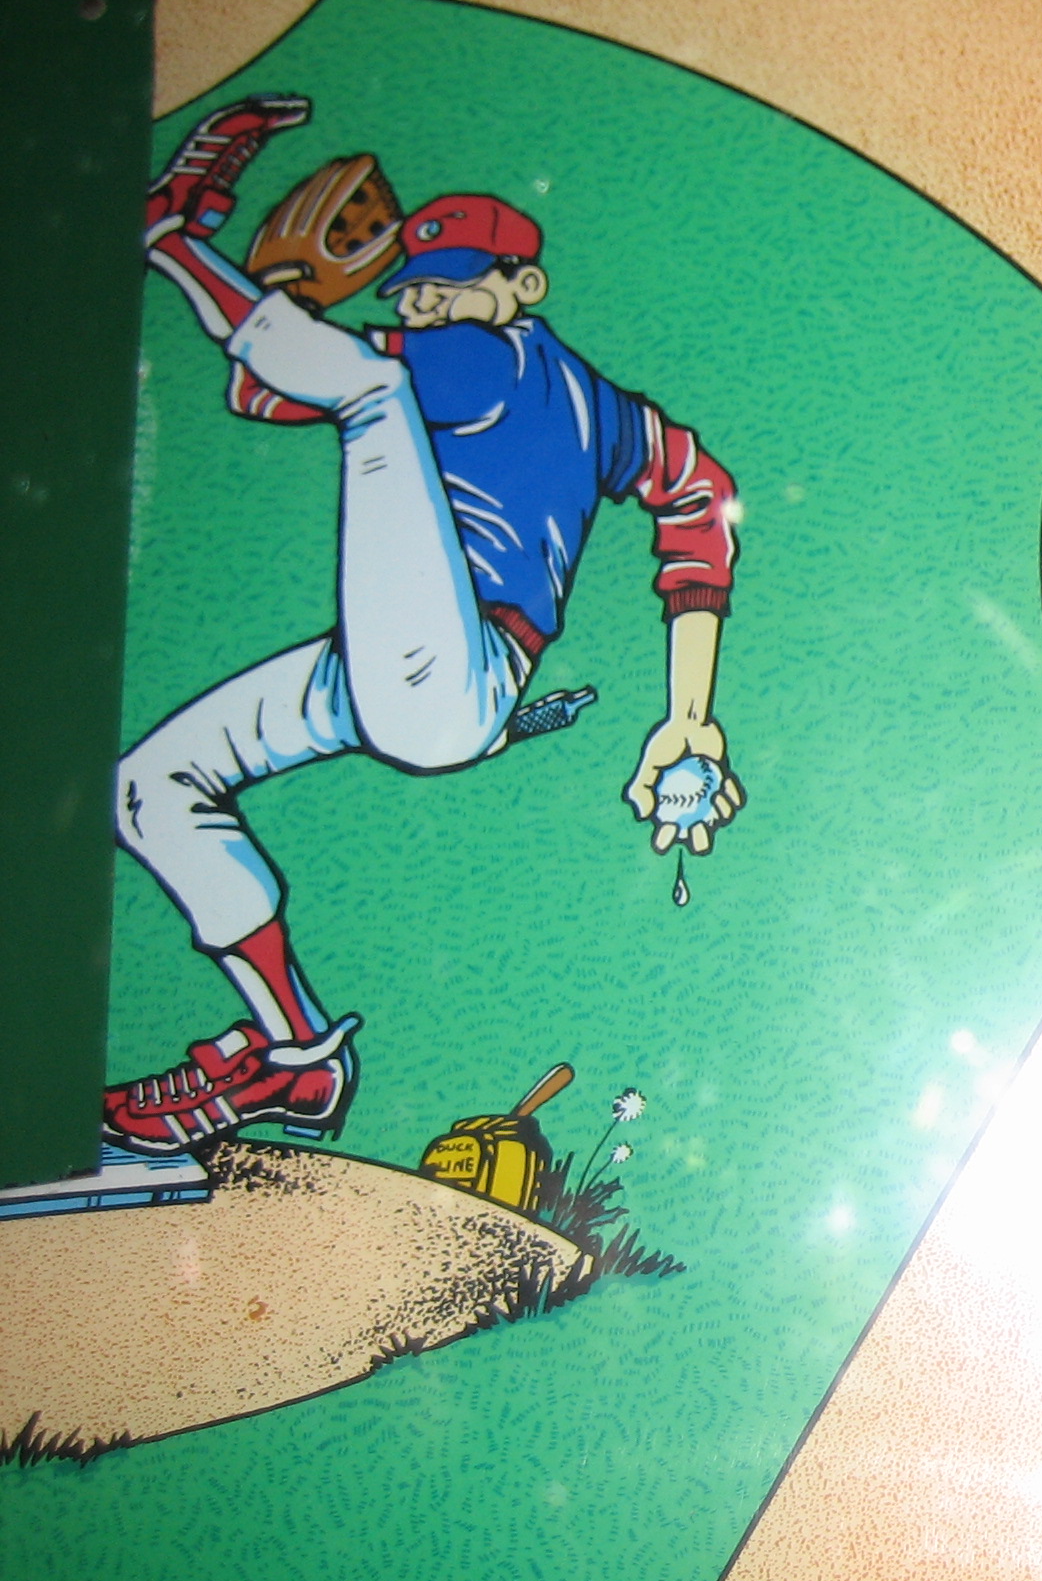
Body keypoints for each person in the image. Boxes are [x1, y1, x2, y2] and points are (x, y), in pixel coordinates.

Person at [109, 96, 744, 1153]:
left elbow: (301, 378)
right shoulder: (603, 409)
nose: (430, 304)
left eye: (454, 285)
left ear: (523, 288)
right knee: (150, 787)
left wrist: (197, 257)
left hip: (445, 665)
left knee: (369, 390)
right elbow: (698, 499)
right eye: (415, 290)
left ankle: (165, 234)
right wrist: (689, 715)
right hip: (397, 656)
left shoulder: (486, 360)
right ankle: (300, 1058)